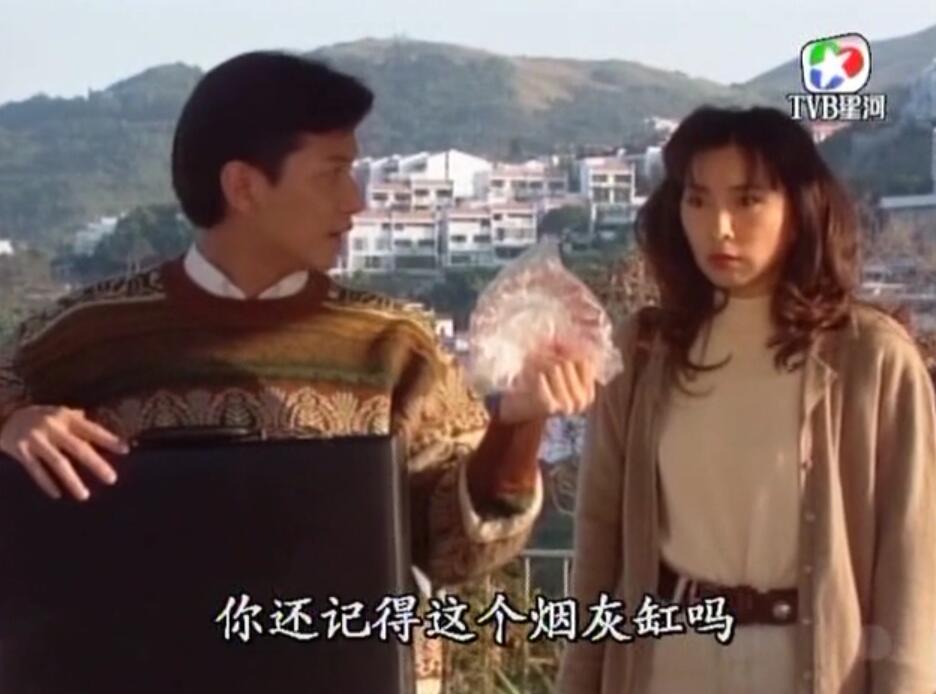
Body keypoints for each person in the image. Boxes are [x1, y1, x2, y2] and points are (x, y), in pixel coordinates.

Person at [0, 51, 597, 692]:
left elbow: (456, 548)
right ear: (244, 186)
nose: (356, 200)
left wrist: (518, 425)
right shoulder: (85, 336)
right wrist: (10, 422)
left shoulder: (396, 345)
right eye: (333, 173)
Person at [557, 105, 936, 694]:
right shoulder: (644, 350)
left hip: (812, 665)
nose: (720, 227)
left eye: (748, 200)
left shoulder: (872, 359)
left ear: (800, 209)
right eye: (698, 200)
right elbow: (600, 535)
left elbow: (911, 564)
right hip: (667, 663)